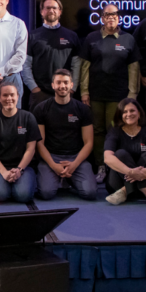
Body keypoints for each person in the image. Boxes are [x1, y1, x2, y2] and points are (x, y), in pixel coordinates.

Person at [80, 3, 141, 184]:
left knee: (114, 130)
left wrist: (132, 95)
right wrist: (83, 92)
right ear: (102, 18)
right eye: (107, 15)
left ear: (119, 17)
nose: (111, 17)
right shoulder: (92, 38)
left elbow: (134, 69)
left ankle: (115, 169)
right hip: (96, 95)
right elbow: (84, 67)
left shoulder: (128, 39)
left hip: (120, 97)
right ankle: (100, 166)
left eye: (114, 14)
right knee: (97, 131)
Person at [34, 69, 96, 201]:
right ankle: (58, 177)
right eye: (59, 82)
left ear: (72, 85)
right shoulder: (41, 109)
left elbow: (89, 142)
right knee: (46, 193)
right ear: (53, 85)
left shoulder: (82, 109)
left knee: (90, 193)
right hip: (51, 157)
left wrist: (74, 164)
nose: (62, 86)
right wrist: (53, 165)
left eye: (66, 82)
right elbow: (39, 142)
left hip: (76, 157)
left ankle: (70, 179)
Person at [0, 81, 40, 203]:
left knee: (23, 196)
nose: (9, 98)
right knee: (1, 195)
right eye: (5, 95)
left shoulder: (28, 117)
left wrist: (19, 169)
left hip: (23, 166)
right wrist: (3, 171)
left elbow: (31, 149)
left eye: (12, 95)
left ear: (18, 96)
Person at [22, 0, 81, 112]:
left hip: (65, 93)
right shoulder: (32, 36)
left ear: (60, 11)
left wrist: (72, 88)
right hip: (40, 94)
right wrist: (34, 89)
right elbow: (26, 65)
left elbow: (77, 65)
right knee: (38, 129)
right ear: (41, 12)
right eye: (47, 8)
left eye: (54, 8)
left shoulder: (72, 36)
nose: (51, 10)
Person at [104, 98, 146, 205]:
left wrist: (144, 173)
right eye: (124, 112)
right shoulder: (115, 131)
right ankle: (143, 188)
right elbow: (107, 158)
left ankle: (125, 191)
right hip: (117, 182)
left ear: (139, 113)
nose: (128, 114)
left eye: (132, 111)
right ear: (120, 115)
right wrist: (131, 172)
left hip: (136, 181)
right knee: (120, 154)